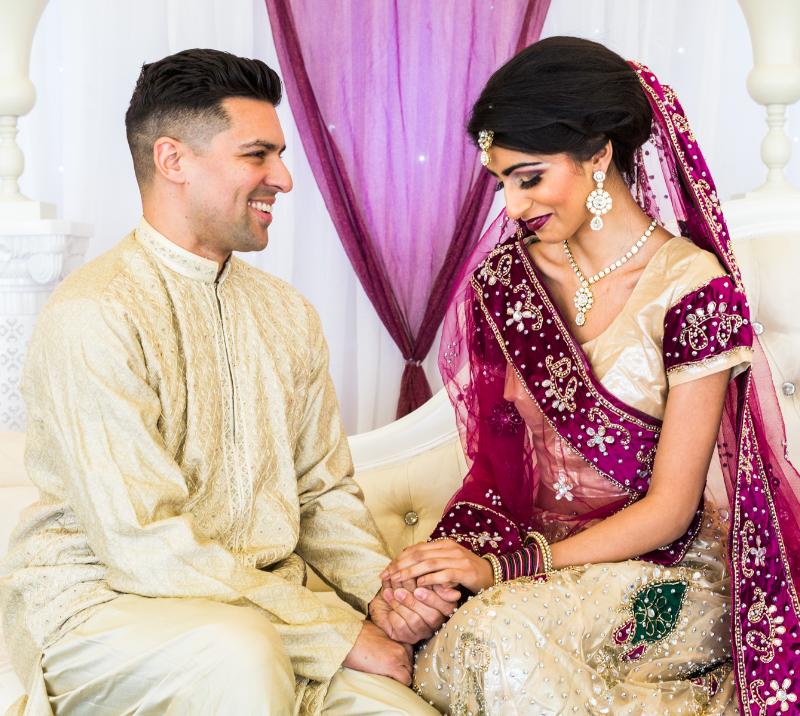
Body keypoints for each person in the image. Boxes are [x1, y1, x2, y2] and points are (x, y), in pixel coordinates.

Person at [0, 49, 455, 716]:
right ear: (174, 161)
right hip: (108, 610)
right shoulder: (94, 315)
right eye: (257, 155)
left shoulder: (287, 314)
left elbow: (322, 495)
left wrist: (382, 595)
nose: (285, 178)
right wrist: (336, 635)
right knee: (241, 655)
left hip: (276, 611)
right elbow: (143, 547)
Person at [381, 37, 800, 714]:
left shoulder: (692, 289)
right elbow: (497, 470)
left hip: (663, 572)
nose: (513, 207)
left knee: (493, 642)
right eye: (500, 182)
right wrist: (440, 571)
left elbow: (669, 511)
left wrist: (501, 571)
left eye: (530, 176)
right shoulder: (509, 281)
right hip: (531, 556)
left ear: (598, 153)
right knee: (451, 633)